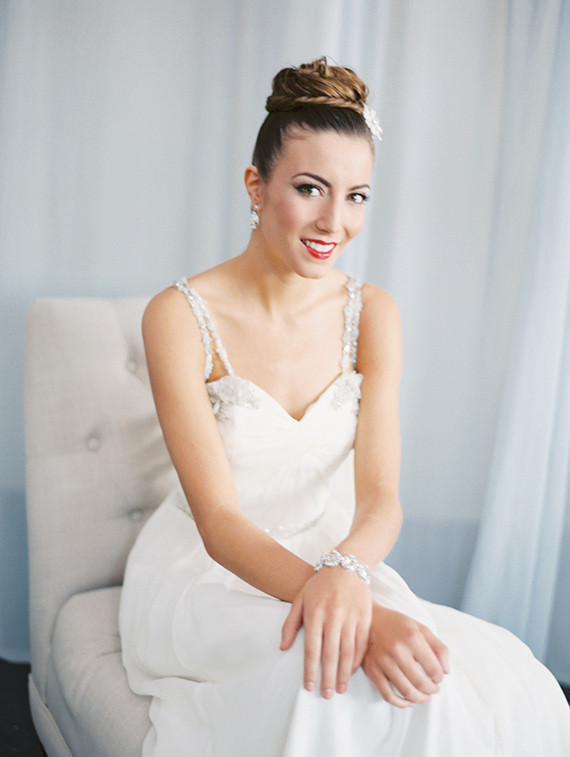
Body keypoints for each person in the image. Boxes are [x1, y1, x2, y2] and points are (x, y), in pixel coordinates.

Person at [120, 58, 570, 756]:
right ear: (256, 186)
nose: (336, 221)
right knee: (328, 683)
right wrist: (350, 608)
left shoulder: (373, 313)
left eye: (357, 196)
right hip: (213, 573)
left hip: (337, 558)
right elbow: (218, 521)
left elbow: (382, 498)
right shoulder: (178, 316)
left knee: (439, 686)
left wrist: (347, 578)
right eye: (310, 188)